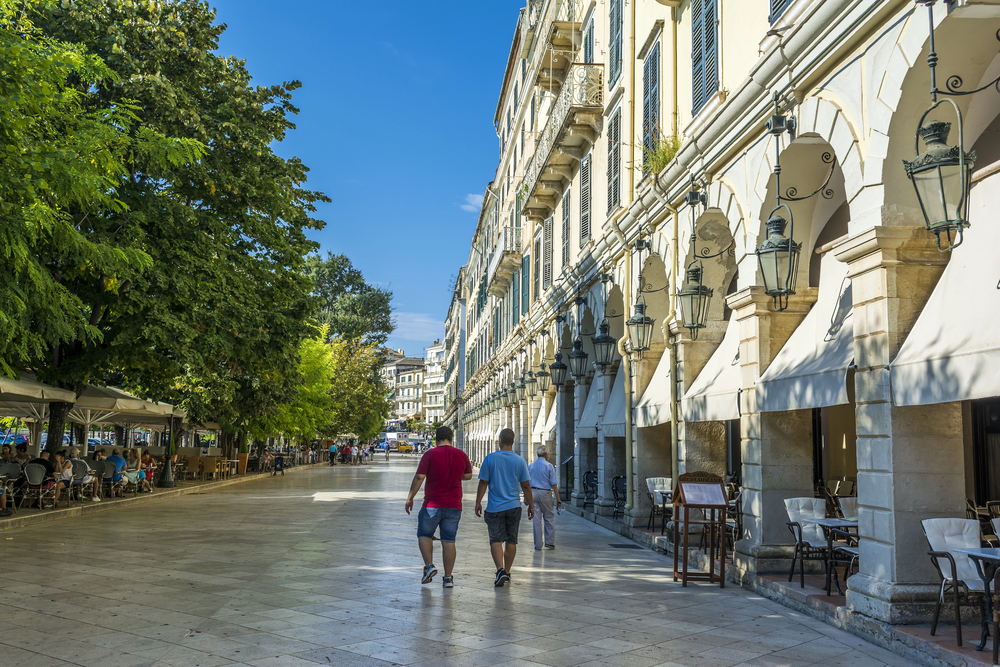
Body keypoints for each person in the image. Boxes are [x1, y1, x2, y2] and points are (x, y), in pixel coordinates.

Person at [405, 426, 472, 588]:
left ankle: (429, 566)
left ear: (436, 439)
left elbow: (420, 476)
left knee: (424, 534)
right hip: (454, 505)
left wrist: (410, 498)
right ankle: (448, 578)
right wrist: (454, 475)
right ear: (451, 438)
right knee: (449, 540)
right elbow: (468, 475)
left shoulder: (430, 454)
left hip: (432, 504)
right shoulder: (461, 455)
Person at [475, 428, 533, 587]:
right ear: (513, 442)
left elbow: (483, 482)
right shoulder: (520, 461)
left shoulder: (490, 459)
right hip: (514, 506)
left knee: (496, 539)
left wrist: (478, 501)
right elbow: (526, 486)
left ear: (500, 440)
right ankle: (507, 571)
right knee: (511, 540)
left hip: (495, 507)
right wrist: (531, 506)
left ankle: (500, 569)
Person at [528, 445, 561, 550]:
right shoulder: (549, 466)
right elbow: (554, 485)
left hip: (533, 492)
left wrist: (526, 498)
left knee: (536, 519)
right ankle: (549, 542)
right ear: (546, 454)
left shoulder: (531, 466)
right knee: (549, 517)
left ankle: (538, 544)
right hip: (545, 493)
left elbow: (526, 484)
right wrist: (558, 499)